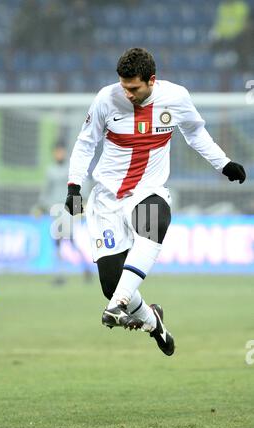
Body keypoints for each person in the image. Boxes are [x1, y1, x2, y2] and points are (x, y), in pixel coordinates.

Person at [64, 47, 246, 356]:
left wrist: (223, 164)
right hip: (106, 200)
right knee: (111, 281)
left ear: (151, 80)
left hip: (148, 189)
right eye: (123, 86)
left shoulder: (176, 98)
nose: (128, 93)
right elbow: (85, 143)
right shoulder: (106, 99)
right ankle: (153, 323)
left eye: (133, 87)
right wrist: (74, 186)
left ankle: (117, 306)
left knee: (154, 222)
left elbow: (195, 134)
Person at [32, 138, 92, 284]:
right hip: (55, 211)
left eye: (61, 151)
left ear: (64, 152)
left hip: (69, 209)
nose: (59, 154)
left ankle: (62, 275)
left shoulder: (71, 168)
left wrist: (80, 206)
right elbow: (46, 191)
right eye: (57, 151)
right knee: (67, 241)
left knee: (61, 240)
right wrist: (40, 206)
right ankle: (83, 269)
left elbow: (80, 185)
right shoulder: (50, 170)